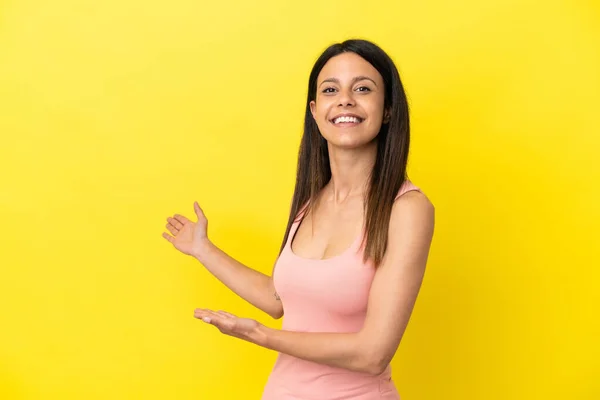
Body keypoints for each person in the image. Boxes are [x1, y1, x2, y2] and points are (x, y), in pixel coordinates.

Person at [162, 39, 435, 399]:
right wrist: (204, 250)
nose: (345, 100)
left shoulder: (407, 208)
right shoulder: (311, 201)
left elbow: (373, 354)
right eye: (330, 89)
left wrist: (262, 336)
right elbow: (281, 299)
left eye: (363, 89)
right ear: (315, 109)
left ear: (386, 110)